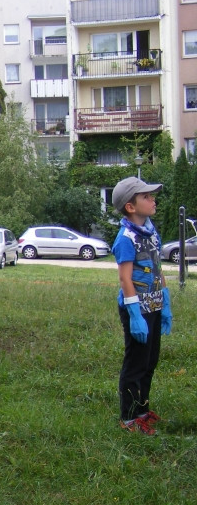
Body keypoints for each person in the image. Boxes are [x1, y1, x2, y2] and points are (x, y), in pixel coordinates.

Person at [111, 176, 171, 434]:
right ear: (130, 207)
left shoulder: (150, 231)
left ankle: (142, 410)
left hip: (154, 305)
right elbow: (125, 278)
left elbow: (157, 267)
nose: (153, 200)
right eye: (146, 197)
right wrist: (135, 314)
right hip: (137, 310)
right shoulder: (126, 238)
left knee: (149, 361)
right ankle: (129, 417)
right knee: (135, 364)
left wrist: (165, 301)